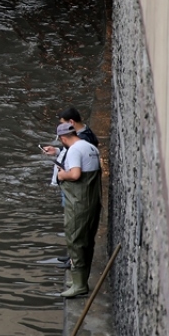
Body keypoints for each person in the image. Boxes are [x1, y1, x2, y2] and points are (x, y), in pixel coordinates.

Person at [55, 122, 101, 297]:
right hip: (92, 202)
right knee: (87, 240)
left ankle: (79, 284)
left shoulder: (74, 150)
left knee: (75, 239)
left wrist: (61, 174)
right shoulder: (90, 147)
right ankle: (79, 279)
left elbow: (75, 174)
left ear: (63, 138)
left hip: (78, 203)